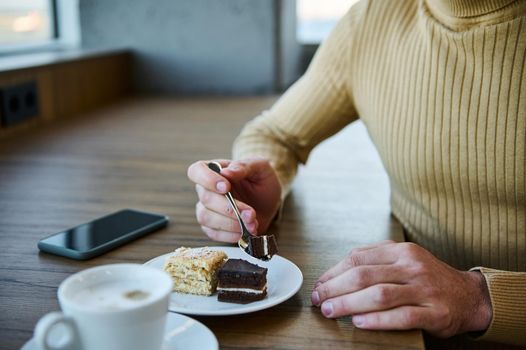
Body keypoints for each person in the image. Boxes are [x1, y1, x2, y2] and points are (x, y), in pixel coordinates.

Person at [187, 0, 526, 346]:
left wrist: (481, 299)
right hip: (408, 330)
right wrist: (260, 185)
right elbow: (275, 134)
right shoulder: (375, 18)